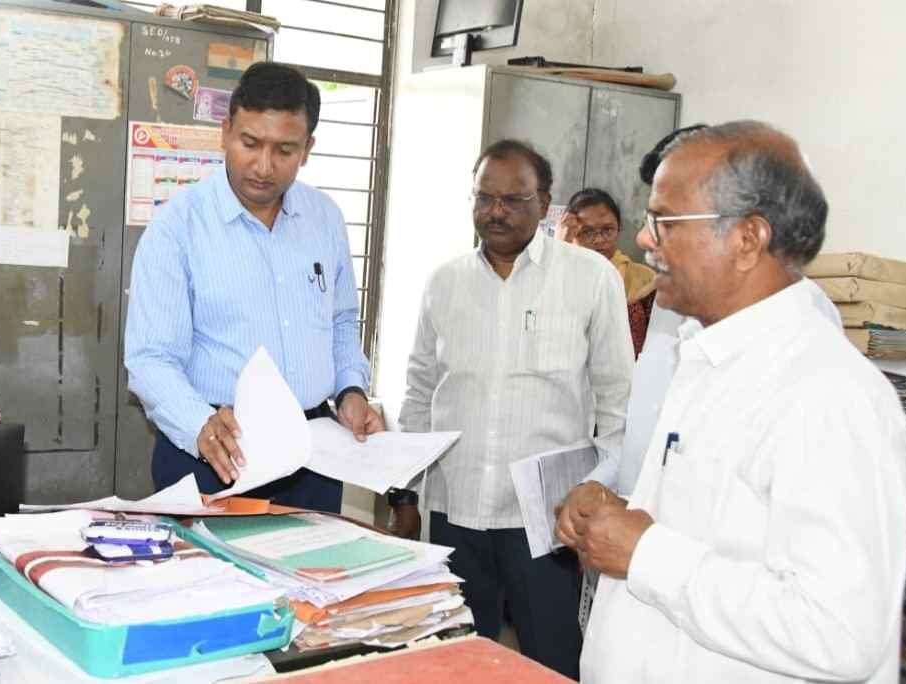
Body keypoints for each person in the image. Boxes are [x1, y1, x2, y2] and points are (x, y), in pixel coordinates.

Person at [564, 121, 906, 682]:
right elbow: (719, 529)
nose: (645, 241)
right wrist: (616, 512)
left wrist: (646, 553)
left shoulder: (830, 395)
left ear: (747, 239)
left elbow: (840, 632)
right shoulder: (709, 356)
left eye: (665, 222)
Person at [398, 139, 633, 679]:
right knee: (457, 663)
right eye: (484, 198)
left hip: (548, 522)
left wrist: (597, 492)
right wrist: (405, 493)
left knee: (551, 660)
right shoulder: (445, 282)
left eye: (512, 199)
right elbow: (420, 392)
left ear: (544, 203)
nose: (495, 211)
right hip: (456, 510)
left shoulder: (590, 278)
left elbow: (619, 404)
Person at [124, 62, 395, 518]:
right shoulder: (178, 228)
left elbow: (342, 320)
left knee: (313, 566)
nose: (264, 166)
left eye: (284, 150)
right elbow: (150, 359)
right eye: (250, 143)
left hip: (312, 458)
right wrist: (198, 423)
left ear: (307, 149)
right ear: (225, 132)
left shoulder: (324, 218)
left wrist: (351, 389)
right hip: (214, 451)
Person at [559, 188, 657, 356]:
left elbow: (657, 344)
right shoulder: (558, 277)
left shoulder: (644, 279)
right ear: (571, 234)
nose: (599, 240)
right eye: (587, 232)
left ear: (619, 229)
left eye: (607, 230)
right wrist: (560, 249)